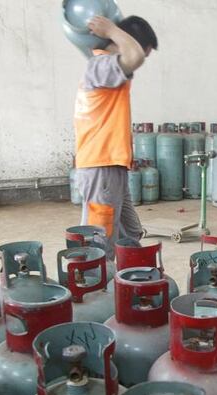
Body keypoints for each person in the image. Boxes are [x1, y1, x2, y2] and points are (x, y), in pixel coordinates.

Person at [73, 15, 158, 256]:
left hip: (112, 167)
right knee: (101, 243)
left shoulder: (106, 70)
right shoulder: (100, 66)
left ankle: (133, 278)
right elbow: (135, 57)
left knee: (130, 231)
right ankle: (98, 289)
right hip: (101, 166)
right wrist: (111, 30)